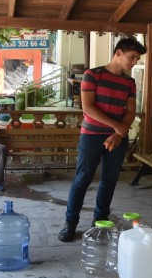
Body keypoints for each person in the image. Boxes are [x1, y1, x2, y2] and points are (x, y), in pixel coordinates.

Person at [58, 38, 146, 242]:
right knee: (82, 179)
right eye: (132, 57)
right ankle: (70, 223)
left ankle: (101, 222)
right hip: (91, 136)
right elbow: (88, 108)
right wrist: (116, 127)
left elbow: (130, 111)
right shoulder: (92, 75)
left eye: (137, 59)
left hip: (118, 138)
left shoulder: (129, 82)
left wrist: (117, 134)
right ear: (118, 53)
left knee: (109, 181)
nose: (134, 62)